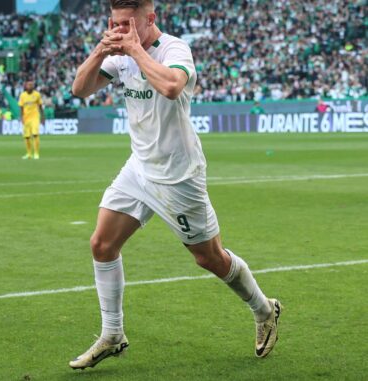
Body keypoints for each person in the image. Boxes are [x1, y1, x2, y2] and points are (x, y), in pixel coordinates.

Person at [69, 0, 282, 370]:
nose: (121, 31)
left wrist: (134, 49)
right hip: (139, 169)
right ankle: (113, 334)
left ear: (150, 19)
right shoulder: (117, 54)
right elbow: (79, 89)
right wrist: (100, 50)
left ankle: (264, 310)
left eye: (128, 24)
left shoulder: (174, 48)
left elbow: (171, 86)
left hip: (178, 175)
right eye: (115, 24)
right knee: (102, 244)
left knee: (209, 257)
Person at [18, 81, 44, 159]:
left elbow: (40, 106)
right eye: (29, 85)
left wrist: (43, 117)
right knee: (27, 137)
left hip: (35, 117)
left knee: (35, 134)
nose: (30, 86)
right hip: (26, 118)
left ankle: (36, 153)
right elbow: (21, 107)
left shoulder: (37, 94)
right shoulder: (22, 95)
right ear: (26, 86)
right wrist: (21, 117)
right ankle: (29, 154)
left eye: (32, 85)